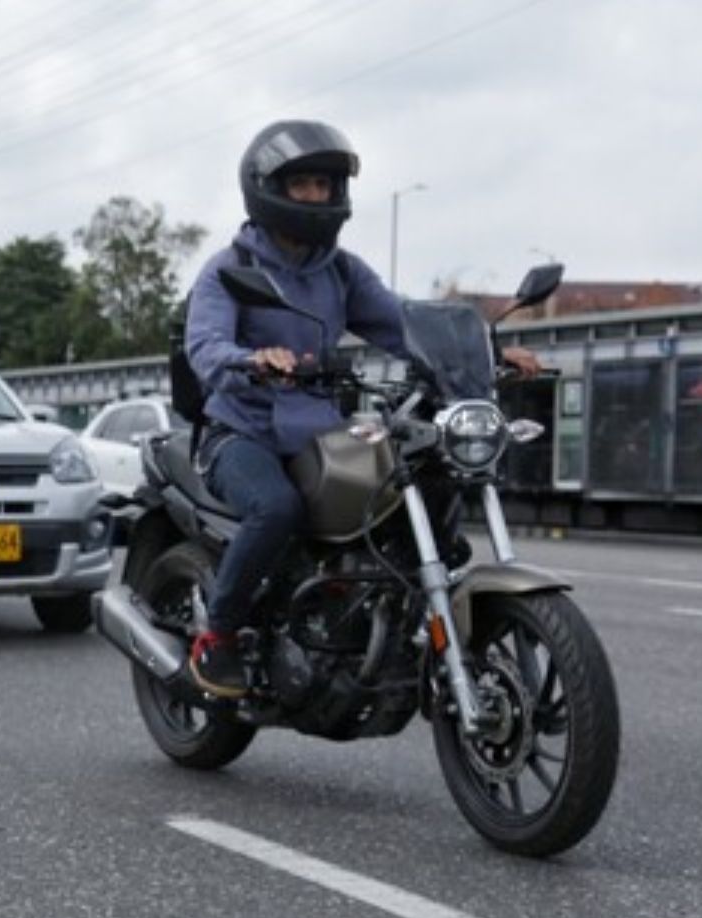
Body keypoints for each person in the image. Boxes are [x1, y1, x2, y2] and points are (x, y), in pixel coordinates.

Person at [181, 119, 539, 699]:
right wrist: (253, 360)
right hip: (241, 431)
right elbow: (205, 345)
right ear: (268, 187)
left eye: (325, 185)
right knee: (274, 509)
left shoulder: (340, 270)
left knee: (405, 490)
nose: (317, 197)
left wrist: (485, 349)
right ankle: (217, 636)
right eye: (303, 185)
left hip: (320, 433)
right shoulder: (229, 270)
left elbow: (405, 324)